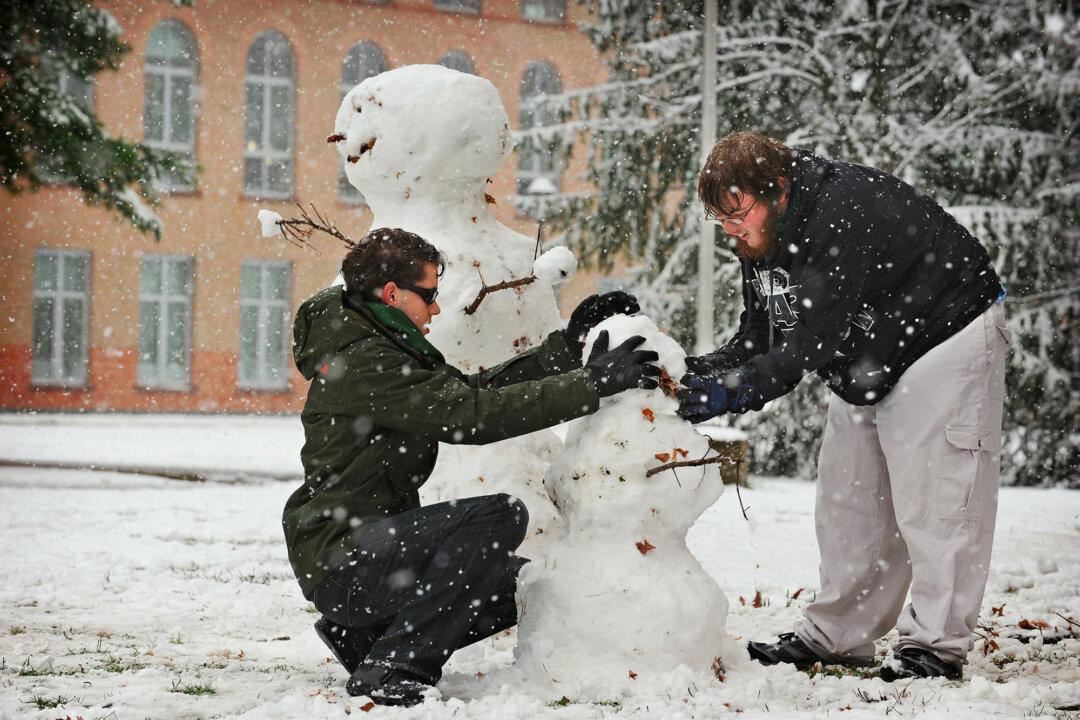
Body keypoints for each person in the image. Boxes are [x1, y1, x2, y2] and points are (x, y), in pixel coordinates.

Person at [679, 132, 1009, 681]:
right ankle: (838, 635)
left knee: (937, 497)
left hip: (944, 333)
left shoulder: (840, 211)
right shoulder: (763, 237)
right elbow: (760, 335)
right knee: (850, 498)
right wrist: (690, 372)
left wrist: (733, 393)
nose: (731, 230)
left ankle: (936, 644)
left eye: (738, 214)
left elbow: (808, 342)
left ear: (778, 188)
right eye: (721, 219)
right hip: (869, 352)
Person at [283, 227, 658, 706]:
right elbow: (470, 417)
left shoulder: (379, 343)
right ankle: (394, 666)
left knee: (521, 584)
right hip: (343, 558)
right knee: (499, 516)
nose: (436, 309)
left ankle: (365, 639)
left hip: (366, 554)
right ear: (393, 294)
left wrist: (565, 349)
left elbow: (468, 393)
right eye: (429, 296)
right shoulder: (367, 360)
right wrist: (589, 385)